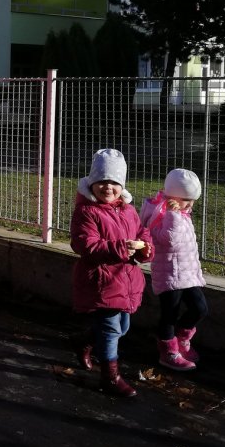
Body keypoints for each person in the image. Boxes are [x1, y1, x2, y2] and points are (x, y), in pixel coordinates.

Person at [70, 149, 153, 398]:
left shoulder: (128, 210)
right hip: (101, 280)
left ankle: (84, 341)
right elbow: (85, 244)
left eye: (115, 182)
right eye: (102, 181)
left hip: (125, 279)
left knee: (122, 327)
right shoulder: (86, 211)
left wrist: (145, 248)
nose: (108, 187)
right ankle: (110, 377)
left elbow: (141, 232)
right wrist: (120, 248)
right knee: (110, 330)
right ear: (92, 183)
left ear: (122, 186)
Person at [141, 168, 208, 372]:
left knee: (200, 308)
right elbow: (168, 240)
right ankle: (168, 351)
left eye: (193, 200)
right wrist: (172, 215)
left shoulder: (180, 213)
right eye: (186, 200)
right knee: (170, 313)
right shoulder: (161, 214)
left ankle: (181, 339)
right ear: (172, 197)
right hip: (169, 274)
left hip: (186, 273)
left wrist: (177, 213)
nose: (191, 205)